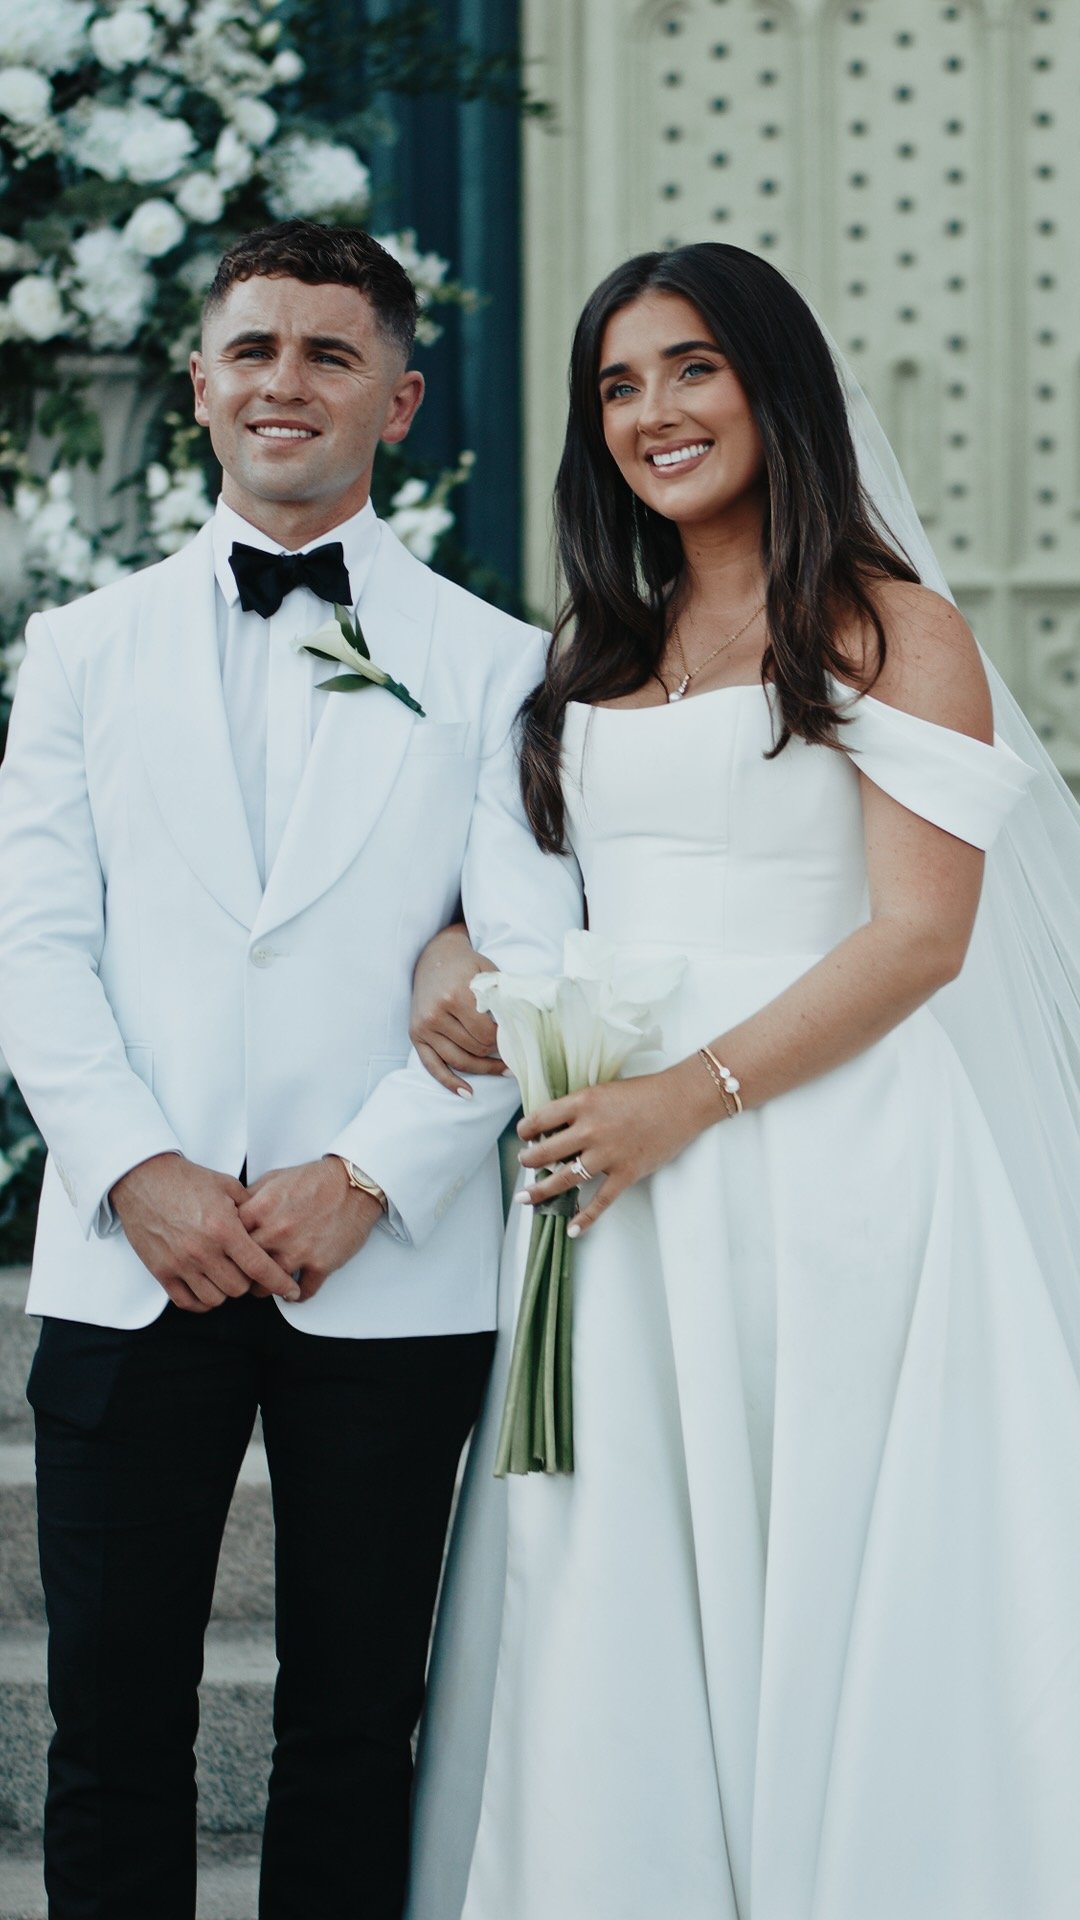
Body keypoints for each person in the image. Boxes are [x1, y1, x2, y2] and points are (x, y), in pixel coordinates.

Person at [403, 244, 1080, 1920]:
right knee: (616, 1564)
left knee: (834, 1551)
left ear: (774, 384)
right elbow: (549, 895)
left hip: (826, 1159)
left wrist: (684, 1099)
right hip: (614, 1185)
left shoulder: (890, 625)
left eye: (692, 367)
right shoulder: (598, 645)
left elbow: (919, 937)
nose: (655, 412)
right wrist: (451, 967)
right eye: (618, 385)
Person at [0, 219, 580, 1920]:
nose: (286, 382)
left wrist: (370, 1172)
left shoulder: (497, 662)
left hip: (382, 1267)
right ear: (199, 383)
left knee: (354, 1728)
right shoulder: (81, 648)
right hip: (135, 1256)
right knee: (111, 1730)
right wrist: (135, 1168)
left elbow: (527, 965)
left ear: (399, 400)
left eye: (332, 353)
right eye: (253, 348)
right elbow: (33, 942)